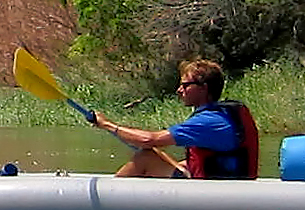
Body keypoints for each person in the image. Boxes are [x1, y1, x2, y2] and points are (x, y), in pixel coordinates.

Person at [99, 57, 261, 180]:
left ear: (203, 88)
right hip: (219, 185)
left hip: (217, 194)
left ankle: (107, 201)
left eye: (185, 85)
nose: (179, 90)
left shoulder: (209, 122)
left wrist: (107, 125)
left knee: (145, 157)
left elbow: (149, 139)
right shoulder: (218, 116)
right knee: (154, 153)